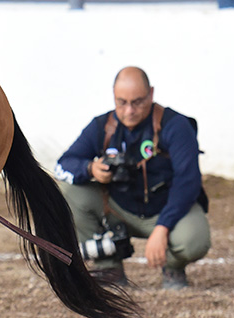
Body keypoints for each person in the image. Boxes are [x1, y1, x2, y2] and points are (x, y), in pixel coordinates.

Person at [54, 67, 210, 290]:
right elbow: (63, 165)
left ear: (151, 94)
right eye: (122, 102)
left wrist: (163, 227)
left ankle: (173, 267)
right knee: (68, 191)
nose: (129, 111)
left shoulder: (175, 126)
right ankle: (108, 267)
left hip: (165, 209)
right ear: (113, 96)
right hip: (118, 210)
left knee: (195, 240)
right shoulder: (102, 126)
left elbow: (188, 182)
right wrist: (90, 168)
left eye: (137, 102)